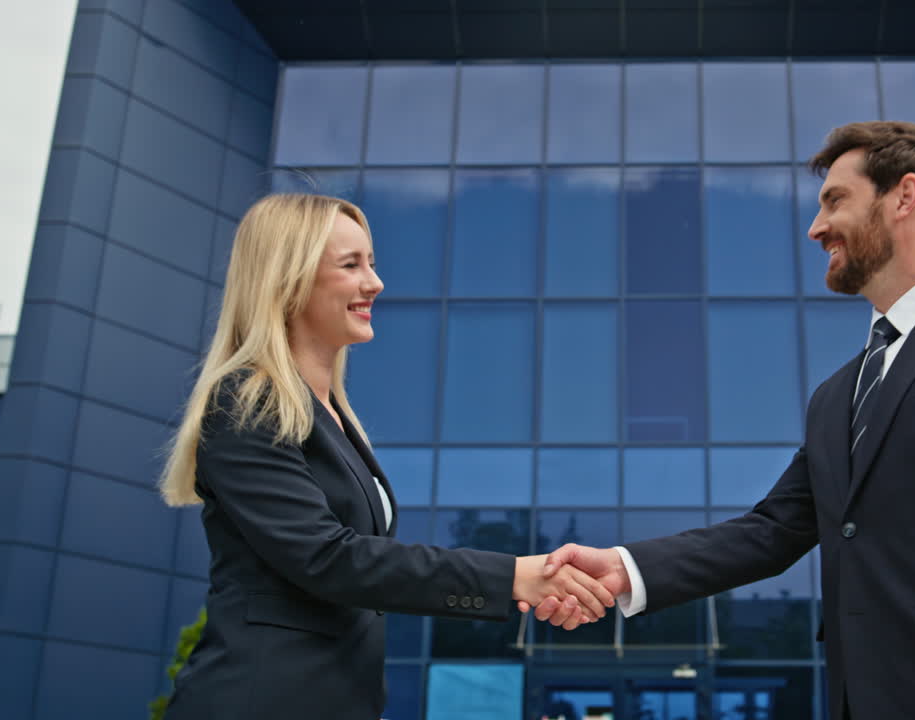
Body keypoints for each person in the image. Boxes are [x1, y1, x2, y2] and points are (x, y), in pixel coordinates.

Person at [533, 121, 915, 720]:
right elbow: (771, 531)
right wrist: (624, 568)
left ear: (905, 197)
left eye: (835, 200)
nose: (816, 227)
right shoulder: (838, 395)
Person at [158, 193, 612, 720]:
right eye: (350, 266)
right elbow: (329, 559)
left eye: (371, 263)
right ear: (288, 280)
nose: (373, 283)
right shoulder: (248, 402)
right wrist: (512, 575)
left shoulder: (333, 418)